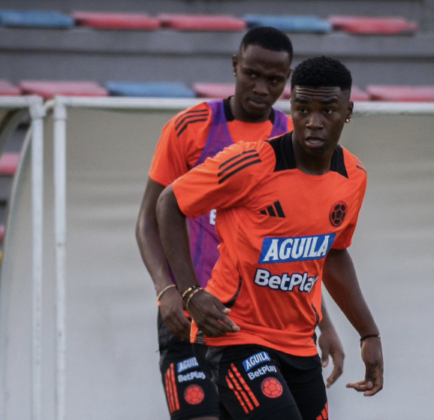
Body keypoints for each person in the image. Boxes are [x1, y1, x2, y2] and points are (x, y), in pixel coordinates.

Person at [156, 56, 384, 420]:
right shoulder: (250, 164)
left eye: (327, 110)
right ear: (290, 107)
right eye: (302, 108)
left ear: (348, 111)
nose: (313, 122)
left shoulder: (353, 177)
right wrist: (188, 292)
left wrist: (368, 334)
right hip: (234, 336)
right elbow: (169, 202)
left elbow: (334, 254)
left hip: (298, 343)